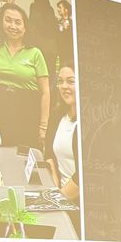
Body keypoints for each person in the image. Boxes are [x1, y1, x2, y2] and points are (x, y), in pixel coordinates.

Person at [0, 2, 49, 147]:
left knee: (23, 153)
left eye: (18, 22)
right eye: (8, 20)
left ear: (25, 27)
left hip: (26, 111)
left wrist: (43, 127)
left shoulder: (35, 53)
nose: (13, 26)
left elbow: (45, 92)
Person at [44, 61, 78, 200]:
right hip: (59, 193)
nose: (64, 86)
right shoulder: (57, 114)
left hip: (79, 201)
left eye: (71, 81)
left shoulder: (92, 125)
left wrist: (58, 199)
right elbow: (49, 153)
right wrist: (55, 185)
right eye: (60, 81)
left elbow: (86, 175)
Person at [28, 0, 59, 77]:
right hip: (49, 45)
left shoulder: (34, 6)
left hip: (41, 44)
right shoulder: (50, 9)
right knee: (49, 72)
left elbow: (32, 23)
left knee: (40, 72)